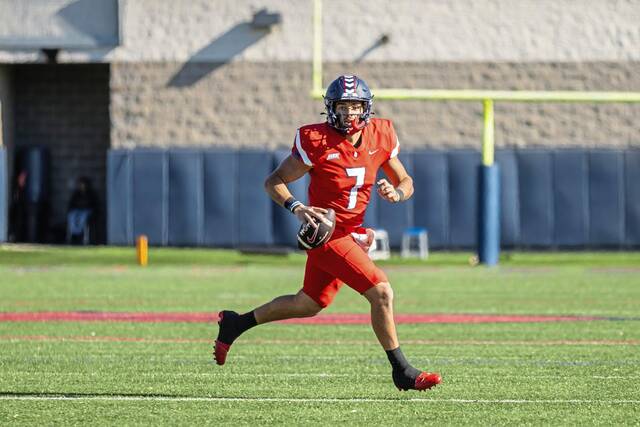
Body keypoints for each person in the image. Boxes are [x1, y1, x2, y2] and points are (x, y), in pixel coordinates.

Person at [214, 75, 442, 391]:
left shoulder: (380, 134)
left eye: (355, 106)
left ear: (366, 109)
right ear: (331, 109)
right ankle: (401, 370)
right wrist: (297, 207)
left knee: (308, 303)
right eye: (343, 107)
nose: (349, 114)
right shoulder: (316, 140)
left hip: (352, 233)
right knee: (381, 292)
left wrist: (397, 193)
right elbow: (274, 181)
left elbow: (407, 181)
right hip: (327, 235)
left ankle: (236, 323)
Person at [66, 176, 99, 244]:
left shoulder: (91, 194)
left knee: (83, 217)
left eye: (83, 184)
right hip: (77, 211)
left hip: (87, 211)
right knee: (72, 216)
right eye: (80, 184)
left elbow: (94, 205)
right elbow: (71, 205)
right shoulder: (76, 193)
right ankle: (74, 232)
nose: (81, 186)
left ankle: (79, 232)